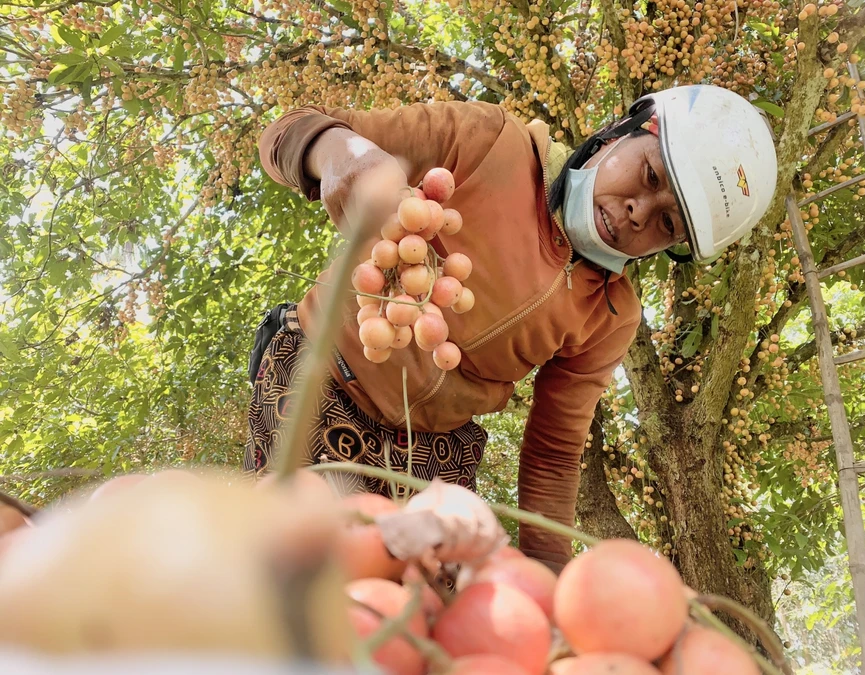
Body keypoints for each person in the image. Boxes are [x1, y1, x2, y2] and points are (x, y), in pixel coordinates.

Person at [246, 85, 778, 573]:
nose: (641, 211)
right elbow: (287, 133)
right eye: (651, 176)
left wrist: (547, 578)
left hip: (432, 450)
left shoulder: (609, 316)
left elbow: (553, 449)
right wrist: (339, 152)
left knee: (435, 605)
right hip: (316, 381)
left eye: (667, 224)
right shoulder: (487, 142)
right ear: (620, 132)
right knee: (313, 575)